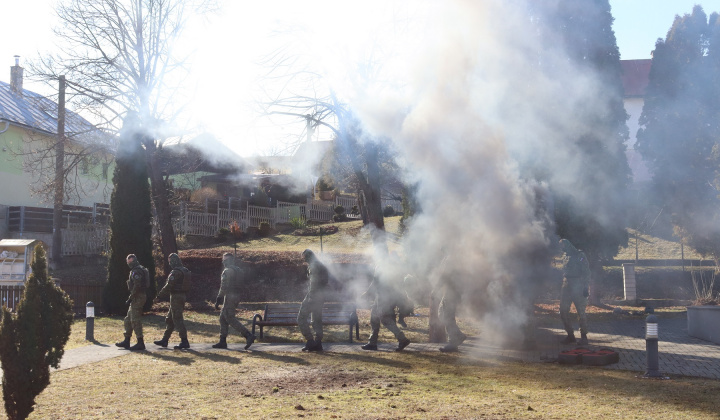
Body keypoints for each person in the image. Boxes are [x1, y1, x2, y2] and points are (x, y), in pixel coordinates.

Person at [212, 253, 256, 350]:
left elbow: (224, 286)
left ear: (227, 261)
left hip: (230, 296)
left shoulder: (227, 271)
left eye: (224, 260)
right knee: (222, 318)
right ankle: (222, 341)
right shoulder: (238, 270)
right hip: (237, 295)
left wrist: (219, 298)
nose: (223, 262)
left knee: (230, 318)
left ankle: (248, 335)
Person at [361, 267, 411, 351]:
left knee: (385, 319)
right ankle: (372, 343)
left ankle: (403, 340)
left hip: (384, 298)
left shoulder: (382, 264)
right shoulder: (389, 263)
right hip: (383, 297)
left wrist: (367, 293)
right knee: (374, 318)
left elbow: (375, 281)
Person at [153, 253, 192, 349]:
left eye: (170, 261)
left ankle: (184, 341)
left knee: (177, 319)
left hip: (176, 297)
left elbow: (169, 285)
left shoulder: (176, 272)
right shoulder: (184, 270)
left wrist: (159, 296)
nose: (169, 263)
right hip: (181, 296)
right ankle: (165, 340)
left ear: (173, 261)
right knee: (170, 319)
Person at [559, 238, 591, 345]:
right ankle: (570, 335)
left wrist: (586, 286)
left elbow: (586, 271)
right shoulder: (565, 256)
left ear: (568, 245)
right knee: (563, 311)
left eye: (562, 246)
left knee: (581, 312)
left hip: (578, 284)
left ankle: (584, 336)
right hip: (566, 284)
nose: (561, 248)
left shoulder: (579, 255)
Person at [115, 254, 150, 351]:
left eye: (129, 261)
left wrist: (131, 297)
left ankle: (140, 342)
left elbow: (137, 286)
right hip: (137, 296)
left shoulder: (136, 271)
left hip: (138, 297)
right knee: (128, 319)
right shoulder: (138, 269)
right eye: (127, 262)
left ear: (133, 260)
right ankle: (127, 340)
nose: (128, 263)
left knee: (135, 319)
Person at [297, 249, 329, 352]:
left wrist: (311, 296)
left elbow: (314, 282)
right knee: (316, 319)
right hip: (321, 296)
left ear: (308, 256)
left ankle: (310, 341)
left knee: (301, 317)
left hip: (313, 295)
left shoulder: (314, 266)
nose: (304, 259)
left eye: (305, 257)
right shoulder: (320, 264)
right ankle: (318, 343)